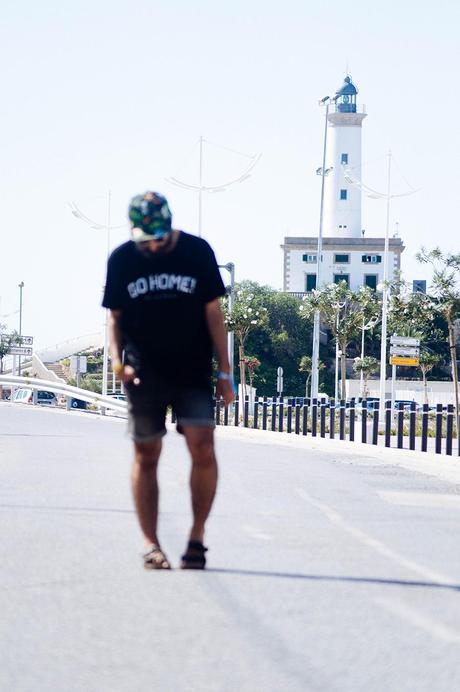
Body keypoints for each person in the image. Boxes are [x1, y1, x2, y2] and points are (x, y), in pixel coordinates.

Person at [102, 191, 234, 570]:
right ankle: (151, 544)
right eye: (147, 238)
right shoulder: (123, 259)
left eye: (159, 236)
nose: (154, 245)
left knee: (203, 445)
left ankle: (197, 538)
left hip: (192, 370)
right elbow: (115, 317)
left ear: (169, 224)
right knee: (146, 453)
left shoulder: (196, 252)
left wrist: (225, 372)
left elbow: (214, 314)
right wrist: (116, 361)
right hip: (143, 371)